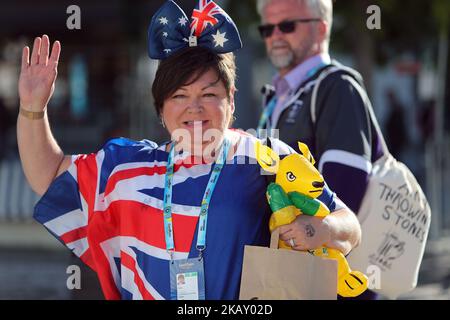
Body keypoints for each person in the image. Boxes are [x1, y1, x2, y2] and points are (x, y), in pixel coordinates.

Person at [17, 0, 361, 300]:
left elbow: (350, 227)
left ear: (231, 99)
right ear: (161, 107)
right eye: (179, 96)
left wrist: (318, 229)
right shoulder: (127, 168)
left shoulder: (264, 158)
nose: (194, 109)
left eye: (209, 95)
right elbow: (47, 174)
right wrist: (33, 109)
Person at [256, 0, 386, 299]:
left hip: (339, 284)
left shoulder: (338, 87)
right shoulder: (277, 96)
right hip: (296, 278)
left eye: (287, 25)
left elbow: (344, 196)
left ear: (322, 27)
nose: (275, 35)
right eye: (267, 28)